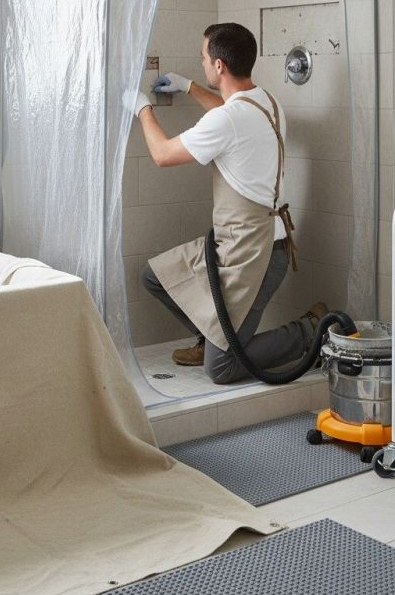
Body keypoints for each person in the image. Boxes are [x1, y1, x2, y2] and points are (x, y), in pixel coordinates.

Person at [129, 22, 327, 385]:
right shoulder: (266, 102)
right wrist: (189, 86)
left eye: (203, 57)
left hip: (256, 255)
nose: (201, 62)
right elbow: (228, 111)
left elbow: (162, 154)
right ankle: (213, 337)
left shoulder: (229, 120)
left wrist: (142, 108)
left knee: (222, 368)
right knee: (156, 277)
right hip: (240, 244)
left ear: (219, 66)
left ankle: (313, 331)